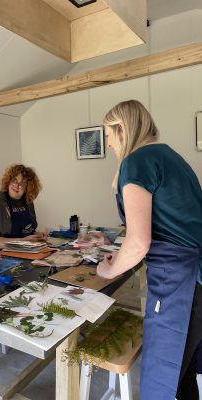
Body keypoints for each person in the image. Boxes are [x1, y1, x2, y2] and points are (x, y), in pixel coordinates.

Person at [97, 100, 202, 400]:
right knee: (180, 374)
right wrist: (112, 247)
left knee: (162, 377)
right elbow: (166, 225)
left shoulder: (137, 161)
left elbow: (140, 242)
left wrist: (108, 270)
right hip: (194, 276)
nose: (107, 142)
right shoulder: (171, 156)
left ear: (122, 129)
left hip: (181, 282)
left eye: (108, 134)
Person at [0, 164, 47, 248]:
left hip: (25, 250)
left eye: (22, 184)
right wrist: (22, 242)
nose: (17, 186)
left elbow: (26, 232)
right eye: (14, 181)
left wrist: (36, 235)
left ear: (28, 187)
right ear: (8, 180)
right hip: (1, 255)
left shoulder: (28, 201)